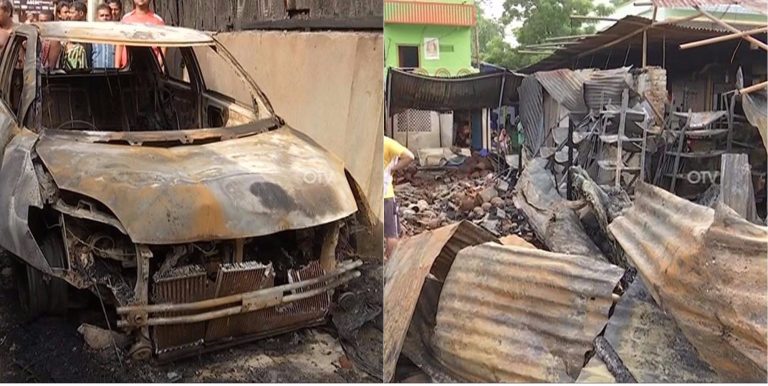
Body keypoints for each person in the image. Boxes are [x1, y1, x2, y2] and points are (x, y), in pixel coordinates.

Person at [383, 136, 414, 259]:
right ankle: (390, 263)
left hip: (368, 194)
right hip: (386, 194)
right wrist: (392, 168)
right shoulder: (387, 142)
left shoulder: (367, 142)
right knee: (391, 234)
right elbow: (410, 156)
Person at [115, 0, 165, 68]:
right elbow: (119, 44)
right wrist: (117, 67)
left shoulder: (158, 21)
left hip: (150, 70)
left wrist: (157, 68)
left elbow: (163, 47)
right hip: (126, 69)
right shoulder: (126, 19)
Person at [62, 1, 91, 70]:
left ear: (81, 13)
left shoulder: (89, 29)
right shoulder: (69, 28)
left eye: (72, 13)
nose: (69, 15)